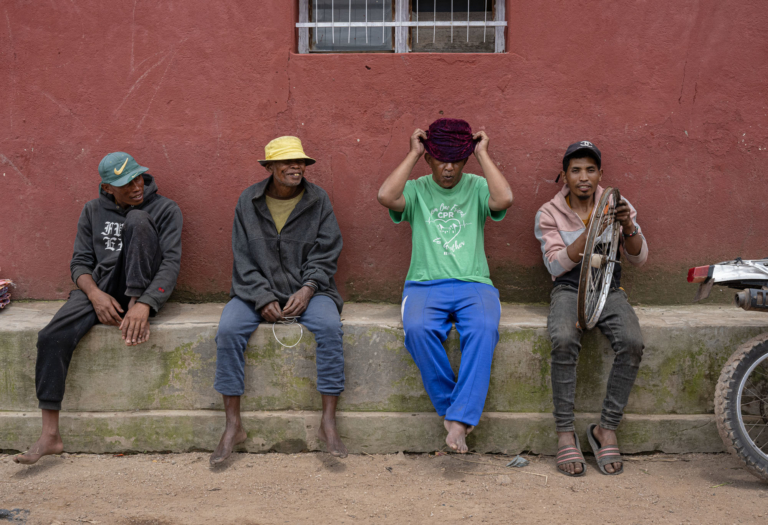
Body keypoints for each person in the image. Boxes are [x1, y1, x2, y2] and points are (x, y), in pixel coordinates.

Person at [14, 152, 183, 465]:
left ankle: (133, 300)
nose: (136, 187)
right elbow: (79, 262)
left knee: (137, 219)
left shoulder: (165, 209)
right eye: (126, 184)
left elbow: (171, 263)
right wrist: (94, 295)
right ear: (107, 188)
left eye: (137, 178)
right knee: (51, 336)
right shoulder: (92, 210)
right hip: (101, 288)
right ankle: (50, 435)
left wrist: (144, 303)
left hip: (141, 289)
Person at [377, 118, 514, 454]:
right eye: (441, 159)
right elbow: (386, 196)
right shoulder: (417, 189)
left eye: (456, 160)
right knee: (418, 329)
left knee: (483, 329)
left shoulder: (478, 186)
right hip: (424, 284)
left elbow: (504, 200)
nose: (449, 168)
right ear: (429, 158)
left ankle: (458, 419)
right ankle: (455, 410)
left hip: (474, 283)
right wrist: (413, 154)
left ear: (465, 160)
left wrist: (482, 154)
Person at [211, 136, 347, 464]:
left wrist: (308, 288)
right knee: (228, 330)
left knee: (330, 328)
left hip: (312, 290)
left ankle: (328, 423)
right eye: (287, 162)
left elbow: (327, 251)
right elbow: (243, 257)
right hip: (254, 291)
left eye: (301, 162)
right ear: (270, 167)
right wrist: (261, 296)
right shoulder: (248, 201)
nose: (296, 167)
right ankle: (233, 426)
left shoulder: (318, 200)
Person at [534, 141, 648, 476]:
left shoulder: (617, 204)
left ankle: (605, 428)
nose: (583, 177)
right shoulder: (548, 213)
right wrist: (592, 231)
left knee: (632, 342)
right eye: (575, 170)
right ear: (564, 175)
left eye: (590, 170)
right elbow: (555, 265)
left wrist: (627, 226)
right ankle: (565, 433)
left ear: (600, 174)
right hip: (569, 289)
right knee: (563, 339)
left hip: (609, 288)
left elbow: (640, 258)